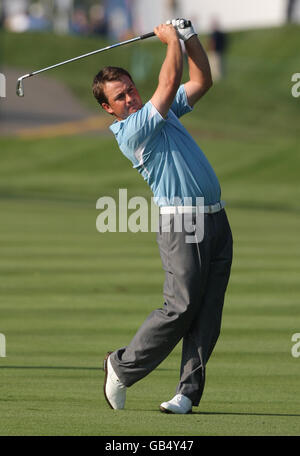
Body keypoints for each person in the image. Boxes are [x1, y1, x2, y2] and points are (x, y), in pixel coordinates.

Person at [92, 19, 233, 414]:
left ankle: (187, 394)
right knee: (181, 306)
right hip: (181, 223)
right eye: (121, 97)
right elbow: (168, 83)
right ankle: (121, 366)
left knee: (207, 313)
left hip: (216, 219)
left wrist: (188, 38)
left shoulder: (163, 112)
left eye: (131, 90)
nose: (131, 99)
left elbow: (202, 80)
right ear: (109, 108)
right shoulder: (132, 131)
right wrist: (170, 40)